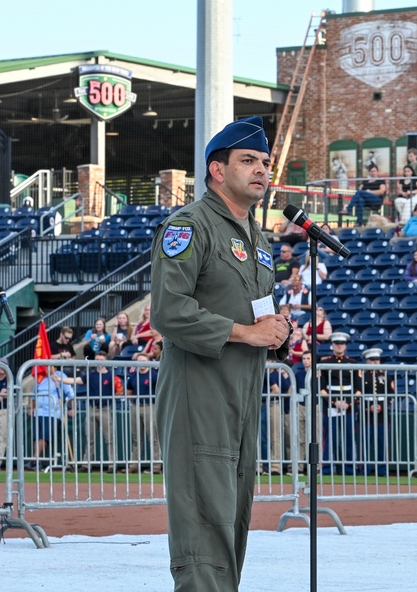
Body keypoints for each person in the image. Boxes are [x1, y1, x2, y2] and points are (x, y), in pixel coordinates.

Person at [149, 115, 292, 590]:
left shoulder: (259, 238)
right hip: (200, 385)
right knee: (203, 513)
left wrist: (275, 332)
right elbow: (168, 312)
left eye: (265, 162)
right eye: (247, 160)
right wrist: (246, 333)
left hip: (244, 386)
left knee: (233, 512)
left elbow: (257, 310)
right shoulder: (189, 226)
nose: (261, 170)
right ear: (216, 170)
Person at [318, 331, 359, 475]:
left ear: (345, 346)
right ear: (332, 345)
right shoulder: (324, 363)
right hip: (331, 406)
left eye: (342, 344)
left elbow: (358, 388)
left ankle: (348, 469)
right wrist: (335, 402)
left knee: (348, 438)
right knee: (330, 438)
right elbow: (321, 387)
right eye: (337, 344)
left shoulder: (352, 363)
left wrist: (349, 403)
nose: (339, 346)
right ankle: (328, 468)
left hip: (348, 406)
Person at [28, 357, 79, 471]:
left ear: (54, 366)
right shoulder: (40, 378)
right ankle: (37, 461)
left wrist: (72, 407)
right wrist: (32, 408)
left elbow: (70, 394)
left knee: (44, 436)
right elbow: (34, 395)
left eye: (48, 366)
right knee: (37, 436)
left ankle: (34, 460)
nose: (45, 368)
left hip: (52, 412)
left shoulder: (60, 376)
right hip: (39, 412)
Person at [357, 348, 394, 476]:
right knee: (366, 443)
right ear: (367, 361)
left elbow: (390, 394)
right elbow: (357, 395)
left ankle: (382, 470)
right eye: (372, 360)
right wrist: (368, 407)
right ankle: (364, 469)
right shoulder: (361, 375)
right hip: (366, 415)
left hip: (382, 416)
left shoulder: (385, 375)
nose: (375, 362)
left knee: (382, 443)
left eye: (377, 360)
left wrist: (382, 406)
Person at [82, 351, 118, 472]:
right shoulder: (91, 375)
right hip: (92, 409)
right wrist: (59, 378)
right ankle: (86, 464)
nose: (99, 362)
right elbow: (77, 380)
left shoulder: (111, 375)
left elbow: (119, 391)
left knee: (110, 439)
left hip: (105, 409)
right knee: (89, 438)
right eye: (97, 359)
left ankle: (112, 465)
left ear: (106, 361)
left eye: (101, 359)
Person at [261, 365, 291, 476]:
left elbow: (286, 390)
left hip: (274, 404)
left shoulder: (277, 374)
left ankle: (275, 467)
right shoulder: (261, 371)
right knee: (261, 437)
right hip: (262, 405)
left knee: (275, 436)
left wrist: (266, 397)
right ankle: (260, 466)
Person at [290, 350, 314, 475]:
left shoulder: (318, 373)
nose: (306, 361)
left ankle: (315, 467)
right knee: (301, 439)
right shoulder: (298, 374)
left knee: (315, 438)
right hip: (301, 406)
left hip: (315, 406)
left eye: (308, 358)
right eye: (304, 358)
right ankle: (299, 467)